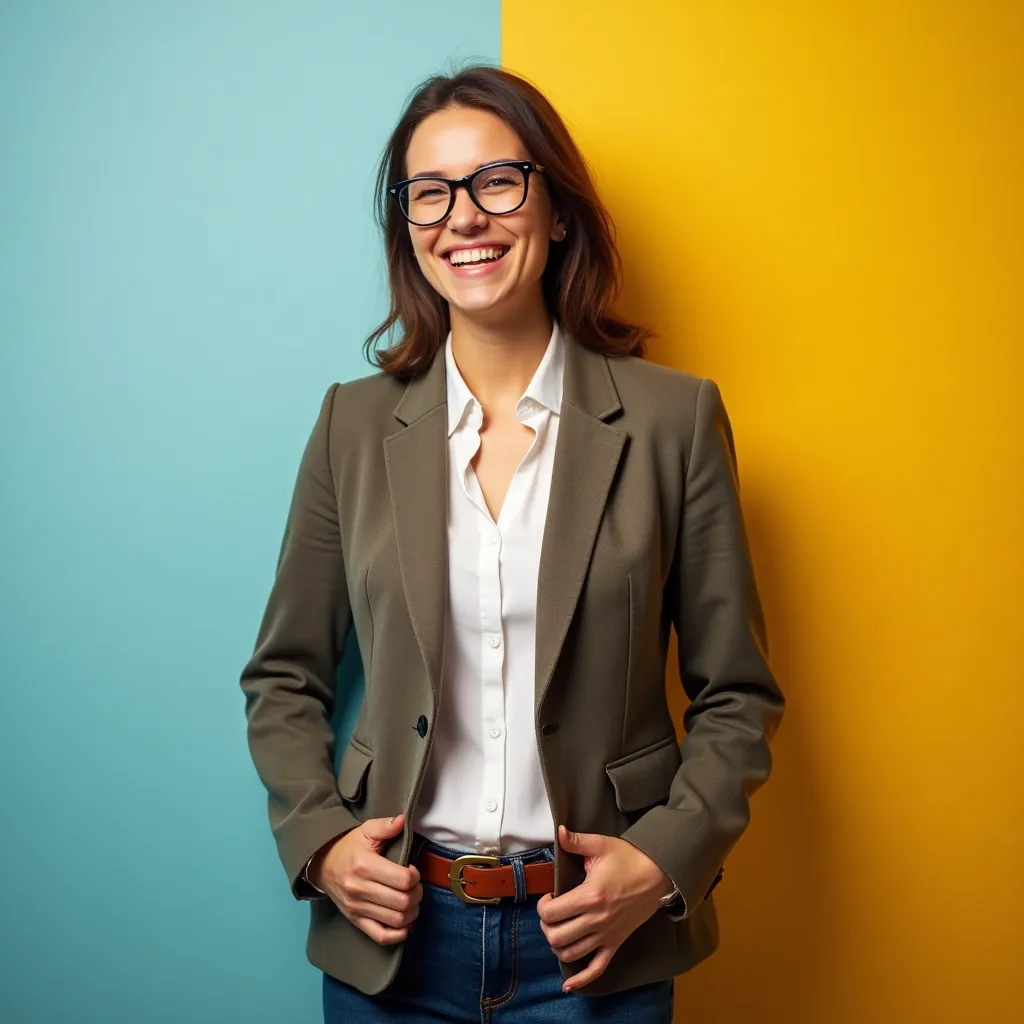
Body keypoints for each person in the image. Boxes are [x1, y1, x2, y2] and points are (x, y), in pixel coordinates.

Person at [240, 64, 784, 1023]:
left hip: (591, 941)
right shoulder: (350, 428)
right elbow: (284, 677)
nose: (465, 217)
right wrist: (323, 845)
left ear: (557, 209)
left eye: (498, 181)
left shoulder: (674, 421)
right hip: (392, 945)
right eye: (430, 193)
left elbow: (736, 694)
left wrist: (663, 862)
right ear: (408, 229)